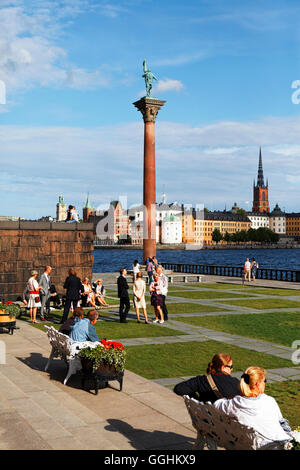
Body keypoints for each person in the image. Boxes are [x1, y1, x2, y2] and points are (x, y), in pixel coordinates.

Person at [214, 366, 292, 449]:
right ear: (258, 384)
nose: (265, 383)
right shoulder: (269, 401)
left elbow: (217, 404)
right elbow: (283, 423)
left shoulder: (234, 403)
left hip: (250, 444)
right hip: (276, 444)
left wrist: (231, 399)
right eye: (264, 381)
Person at [174, 353, 240, 403]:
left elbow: (179, 388)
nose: (232, 369)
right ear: (223, 367)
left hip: (205, 417)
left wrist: (196, 399)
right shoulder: (235, 383)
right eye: (231, 367)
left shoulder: (201, 380)